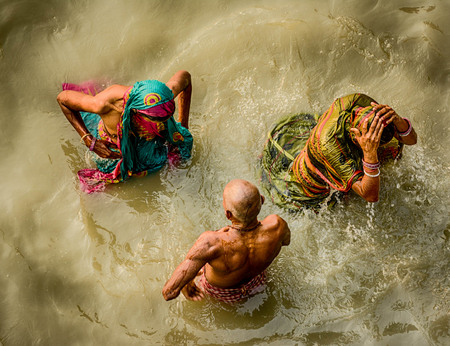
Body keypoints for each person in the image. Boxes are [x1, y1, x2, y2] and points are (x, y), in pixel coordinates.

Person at [261, 93, 417, 211]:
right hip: (310, 185)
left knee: (395, 147)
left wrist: (398, 120)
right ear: (356, 135)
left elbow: (412, 140)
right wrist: (370, 154)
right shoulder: (329, 145)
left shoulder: (362, 103)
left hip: (339, 140)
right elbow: (369, 195)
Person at [57, 70, 193, 193]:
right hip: (114, 149)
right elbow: (63, 99)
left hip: (148, 144)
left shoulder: (163, 96)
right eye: (155, 122)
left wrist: (183, 125)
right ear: (135, 112)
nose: (162, 125)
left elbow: (185, 76)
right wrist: (89, 141)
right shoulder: (105, 104)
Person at [162, 179, 291, 303]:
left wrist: (186, 284)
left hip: (222, 293)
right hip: (257, 282)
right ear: (262, 200)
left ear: (228, 214)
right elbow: (286, 241)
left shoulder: (211, 242)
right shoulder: (277, 225)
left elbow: (169, 293)